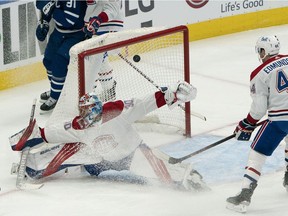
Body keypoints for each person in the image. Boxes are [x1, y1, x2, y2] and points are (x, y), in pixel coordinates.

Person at [10, 81, 209, 191]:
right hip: (99, 158)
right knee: (42, 167)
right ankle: (33, 164)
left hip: (132, 153)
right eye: (85, 114)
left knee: (169, 177)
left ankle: (191, 177)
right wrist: (21, 141)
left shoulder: (118, 109)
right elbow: (45, 134)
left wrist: (173, 93)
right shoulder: (77, 125)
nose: (89, 119)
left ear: (98, 109)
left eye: (92, 114)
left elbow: (147, 101)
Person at [226, 35, 288, 213]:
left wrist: (246, 124)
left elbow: (259, 108)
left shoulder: (259, 73)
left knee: (257, 154)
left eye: (260, 50)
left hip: (279, 121)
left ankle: (245, 195)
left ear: (263, 51)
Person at [35, 0, 88, 113]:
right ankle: (57, 89)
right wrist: (44, 23)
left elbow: (69, 20)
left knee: (59, 62)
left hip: (76, 35)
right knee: (48, 60)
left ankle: (56, 97)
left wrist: (50, 8)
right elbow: (48, 8)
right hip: (59, 32)